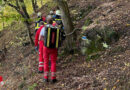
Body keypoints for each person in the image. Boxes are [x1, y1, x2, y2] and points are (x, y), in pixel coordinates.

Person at [39, 17, 58, 83]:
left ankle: (45, 78)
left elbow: (40, 38)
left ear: (46, 22)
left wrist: (45, 41)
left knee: (46, 62)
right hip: (54, 48)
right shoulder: (56, 28)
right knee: (53, 62)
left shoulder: (44, 28)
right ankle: (53, 78)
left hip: (46, 48)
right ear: (52, 22)